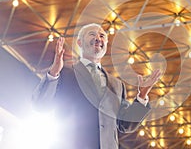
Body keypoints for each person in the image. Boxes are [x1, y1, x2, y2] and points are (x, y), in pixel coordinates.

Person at [32, 23, 161, 149]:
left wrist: (142, 97)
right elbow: (40, 104)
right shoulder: (64, 72)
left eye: (102, 36)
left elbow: (125, 124)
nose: (98, 38)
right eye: (92, 34)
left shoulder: (117, 84)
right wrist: (54, 73)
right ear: (80, 43)